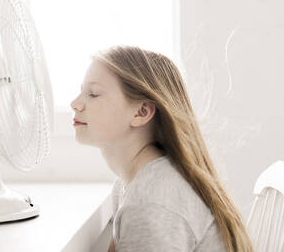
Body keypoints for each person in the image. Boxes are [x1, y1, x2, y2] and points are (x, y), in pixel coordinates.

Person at [70, 45, 254, 252]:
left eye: (93, 94)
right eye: (81, 92)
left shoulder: (149, 204)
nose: (75, 104)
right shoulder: (129, 184)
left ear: (141, 112)